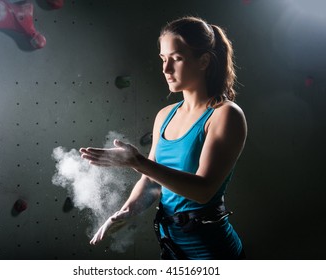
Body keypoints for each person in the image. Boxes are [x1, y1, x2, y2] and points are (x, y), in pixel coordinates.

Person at [79, 16, 247, 260]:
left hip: (212, 251)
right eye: (163, 59)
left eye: (176, 59)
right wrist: (126, 211)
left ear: (204, 61)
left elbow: (204, 190)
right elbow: (151, 183)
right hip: (172, 248)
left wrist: (137, 162)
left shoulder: (226, 115)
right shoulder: (165, 116)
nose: (166, 69)